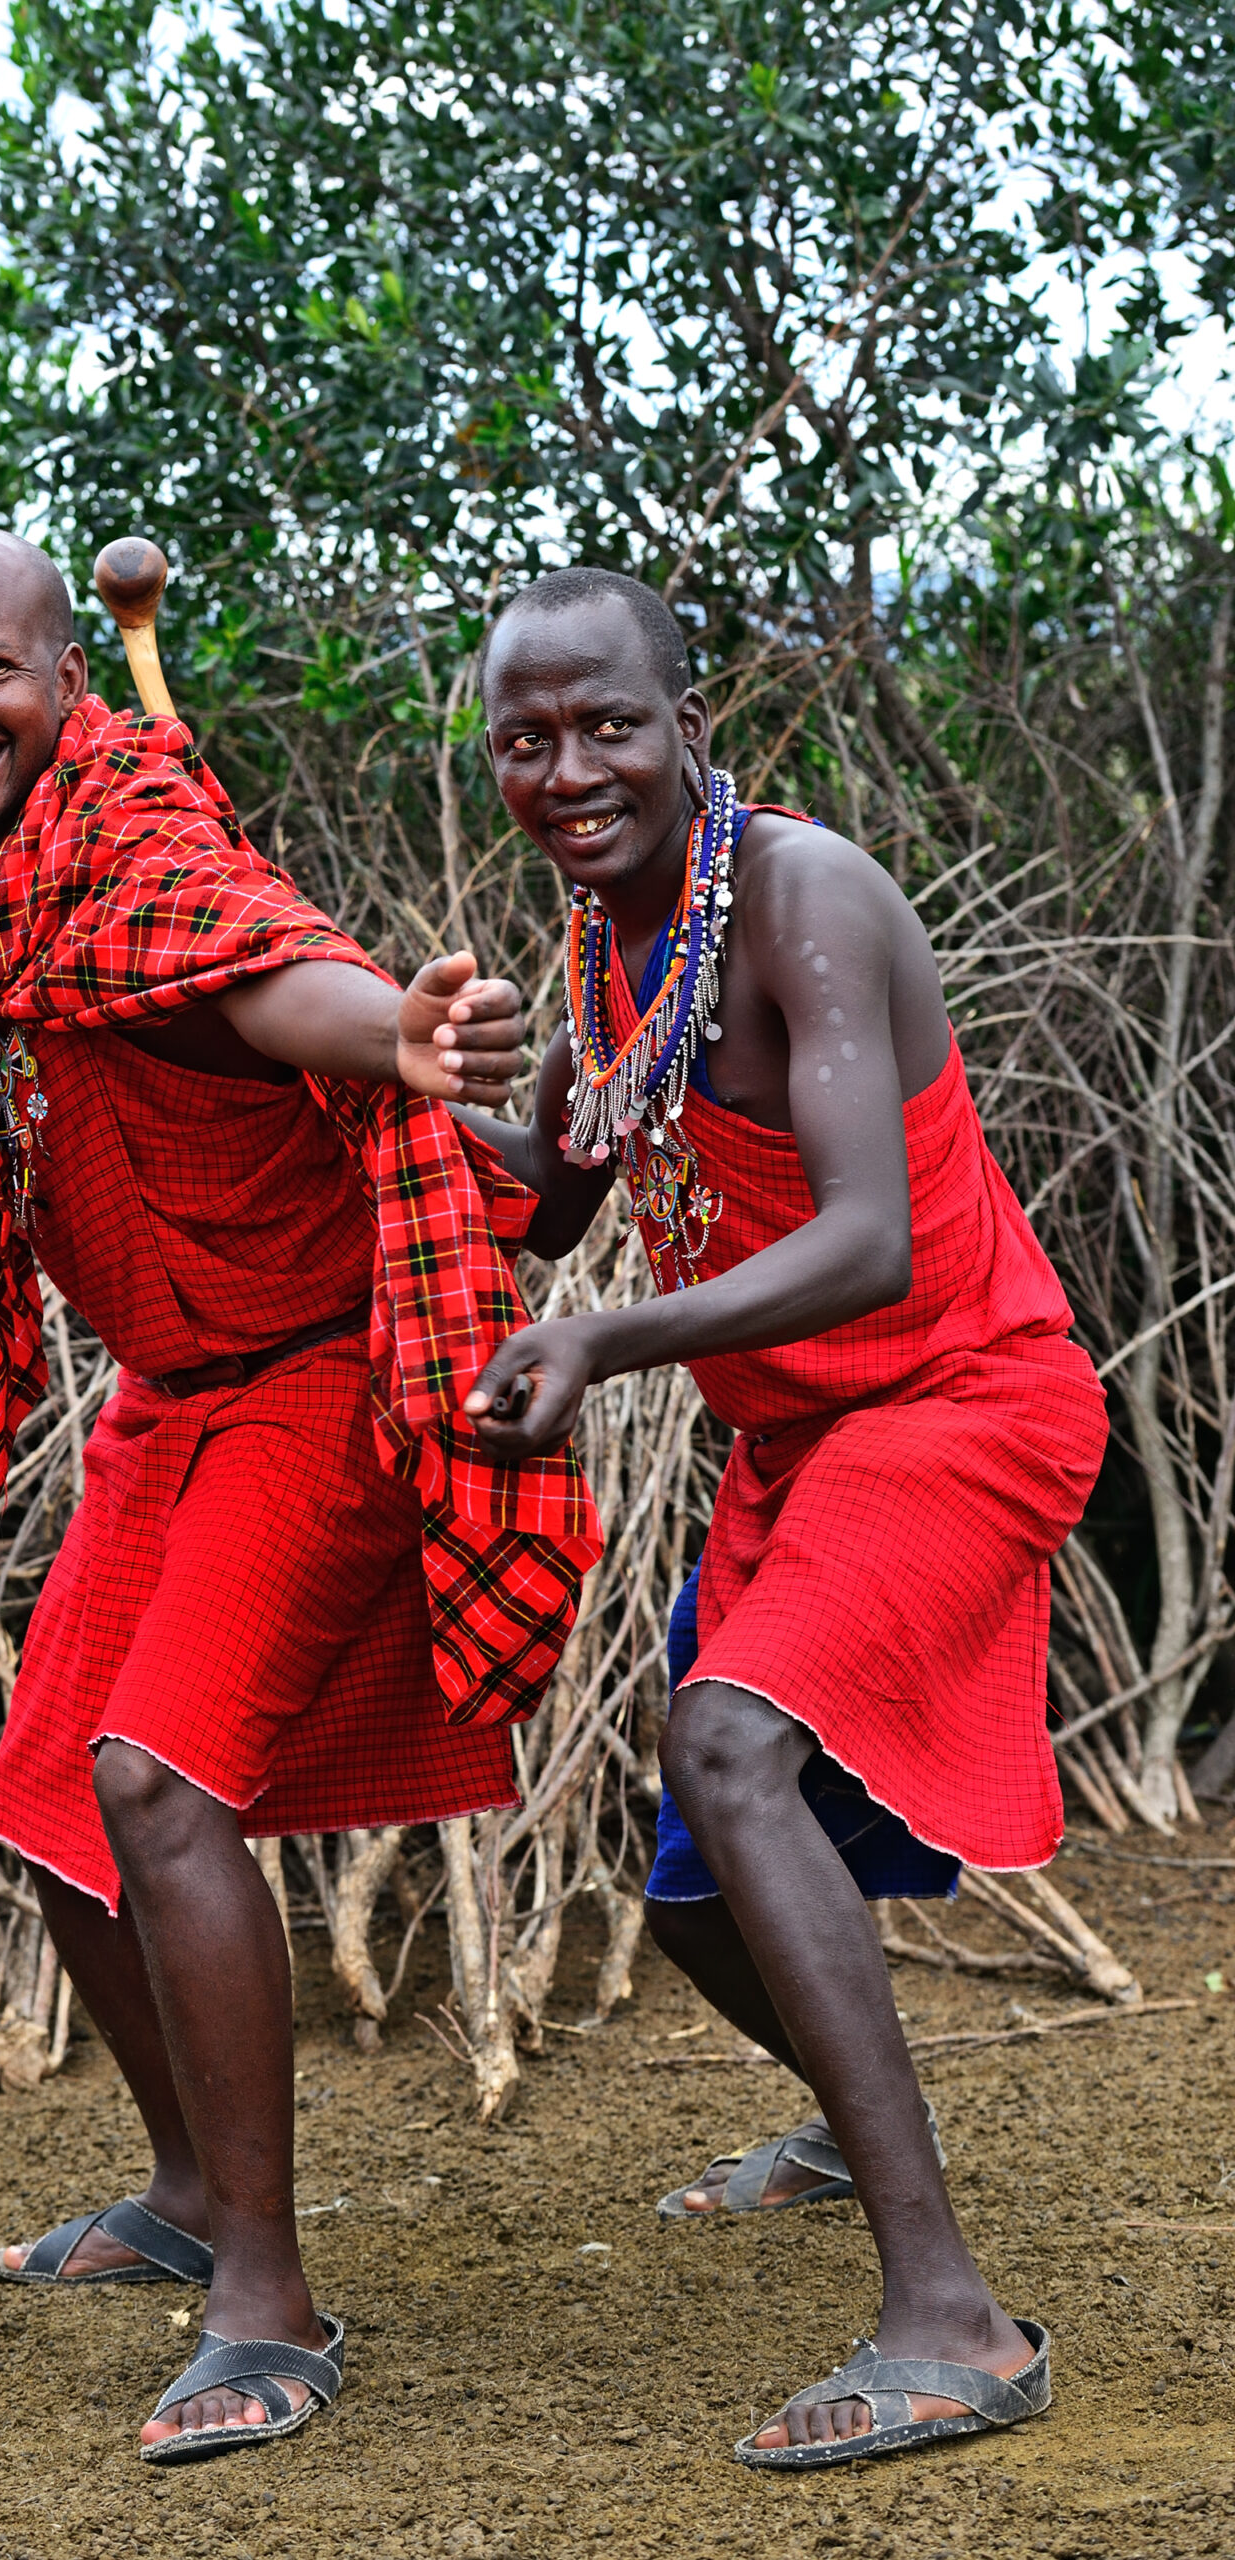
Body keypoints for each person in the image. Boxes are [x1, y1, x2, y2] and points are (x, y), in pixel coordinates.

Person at [0, 527, 598, 2465]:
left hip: (324, 1386)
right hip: (169, 1401)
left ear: (65, 678)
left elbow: (291, 985)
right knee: (48, 1802)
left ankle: (268, 2286)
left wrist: (411, 1036)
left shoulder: (146, 857)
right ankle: (184, 2185)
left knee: (158, 1783)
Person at [453, 567, 1106, 2469]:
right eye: (525, 739)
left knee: (727, 1749)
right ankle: (844, 2123)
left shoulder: (800, 897)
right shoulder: (600, 933)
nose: (567, 768)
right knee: (693, 1905)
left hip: (964, 1402)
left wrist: (604, 1343)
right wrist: (395, 1094)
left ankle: (955, 2321)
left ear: (690, 727)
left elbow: (866, 1237)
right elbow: (561, 1193)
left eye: (607, 726)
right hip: (801, 1448)